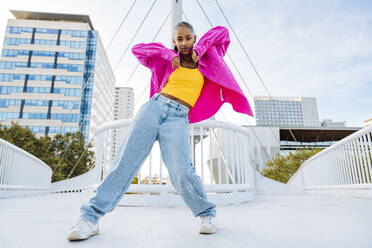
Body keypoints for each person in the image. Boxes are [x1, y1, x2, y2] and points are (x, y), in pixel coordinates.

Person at [67, 21, 253, 241]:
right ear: (174, 42)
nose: (184, 43)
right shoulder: (169, 60)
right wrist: (167, 56)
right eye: (179, 39)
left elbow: (222, 32)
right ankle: (90, 218)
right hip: (153, 108)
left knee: (182, 171)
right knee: (124, 162)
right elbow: (139, 50)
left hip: (178, 117)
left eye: (188, 38)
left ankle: (206, 215)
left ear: (195, 38)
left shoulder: (208, 57)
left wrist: (200, 50)